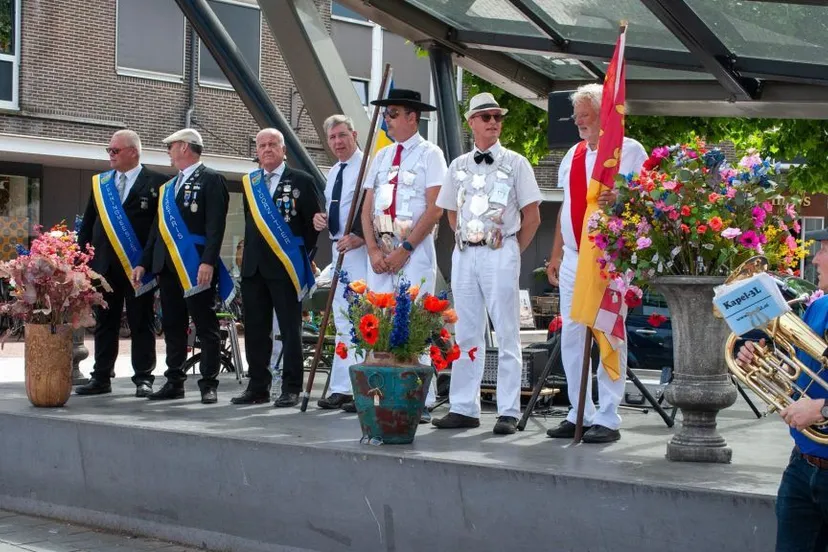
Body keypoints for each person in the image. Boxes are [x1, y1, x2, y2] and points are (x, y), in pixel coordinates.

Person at [431, 93, 541, 435]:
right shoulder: (458, 165)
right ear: (471, 123)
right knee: (465, 331)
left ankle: (508, 408)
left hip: (500, 250)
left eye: (496, 116)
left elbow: (532, 216)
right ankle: (464, 406)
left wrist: (511, 250)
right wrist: (469, 238)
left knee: (507, 331)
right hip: (466, 252)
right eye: (485, 116)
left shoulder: (516, 162)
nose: (493, 122)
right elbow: (450, 211)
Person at [545, 83, 648, 443]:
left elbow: (644, 201)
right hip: (574, 257)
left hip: (609, 259)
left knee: (607, 332)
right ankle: (579, 412)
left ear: (604, 115)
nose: (579, 123)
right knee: (572, 336)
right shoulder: (572, 155)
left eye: (585, 116)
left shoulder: (628, 151)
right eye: (576, 118)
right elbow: (565, 207)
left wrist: (620, 198)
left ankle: (608, 416)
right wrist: (556, 253)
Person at [357, 88, 447, 421]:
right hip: (379, 251)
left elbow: (436, 207)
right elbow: (366, 209)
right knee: (378, 323)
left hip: (415, 250)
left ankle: (420, 397)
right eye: (385, 114)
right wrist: (371, 249)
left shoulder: (430, 154)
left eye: (392, 114)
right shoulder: (381, 157)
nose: (387, 120)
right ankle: (379, 391)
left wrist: (406, 249)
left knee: (415, 321)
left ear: (413, 117)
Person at [737, 228, 828, 552]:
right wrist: (761, 361)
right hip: (802, 465)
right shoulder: (819, 307)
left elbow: (818, 401)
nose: (815, 258)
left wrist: (821, 410)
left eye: (824, 249)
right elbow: (801, 373)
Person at [132, 128, 229, 404]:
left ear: (185, 147)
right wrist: (143, 263)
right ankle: (174, 379)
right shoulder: (167, 188)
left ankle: (208, 383)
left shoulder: (212, 179)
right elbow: (156, 231)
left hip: (194, 263)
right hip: (167, 265)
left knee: (205, 325)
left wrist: (209, 260)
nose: (169, 152)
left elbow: (215, 226)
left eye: (171, 147)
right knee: (173, 325)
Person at [231, 128, 323, 408]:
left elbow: (312, 225)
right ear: (257, 151)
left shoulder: (302, 181)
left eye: (273, 144)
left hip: (286, 266)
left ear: (283, 149)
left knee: (289, 329)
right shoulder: (251, 183)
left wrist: (299, 255)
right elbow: (251, 223)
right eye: (262, 145)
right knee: (256, 330)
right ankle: (258, 386)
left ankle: (291, 387)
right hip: (254, 268)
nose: (267, 149)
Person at [75, 129, 167, 398]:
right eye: (109, 150)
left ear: (133, 152)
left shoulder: (158, 183)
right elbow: (89, 225)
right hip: (104, 267)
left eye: (115, 150)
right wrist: (82, 262)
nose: (110, 155)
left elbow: (158, 229)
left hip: (139, 265)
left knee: (141, 321)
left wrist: (148, 261)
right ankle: (101, 377)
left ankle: (143, 378)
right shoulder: (100, 183)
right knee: (105, 322)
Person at [312, 114, 368, 410]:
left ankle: (362, 386)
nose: (337, 142)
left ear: (354, 134)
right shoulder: (334, 171)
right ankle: (342, 387)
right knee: (343, 320)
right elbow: (335, 207)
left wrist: (360, 235)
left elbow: (372, 206)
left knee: (362, 319)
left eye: (342, 135)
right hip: (338, 249)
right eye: (332, 138)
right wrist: (320, 218)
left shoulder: (368, 166)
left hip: (361, 250)